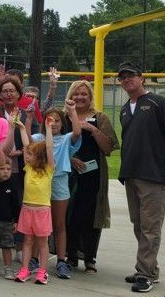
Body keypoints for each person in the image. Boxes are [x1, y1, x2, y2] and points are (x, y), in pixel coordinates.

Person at [117, 62, 165, 293]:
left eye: (131, 75)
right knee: (139, 224)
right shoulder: (124, 109)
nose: (127, 80)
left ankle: (144, 274)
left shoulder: (158, 103)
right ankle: (150, 269)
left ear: (142, 78)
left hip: (152, 175)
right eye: (122, 77)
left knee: (150, 227)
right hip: (131, 172)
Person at [63, 80, 118, 275]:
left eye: (83, 94)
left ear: (90, 96)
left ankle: (89, 258)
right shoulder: (64, 117)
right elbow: (54, 144)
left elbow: (108, 147)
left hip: (93, 175)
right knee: (69, 214)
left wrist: (93, 130)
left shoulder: (100, 117)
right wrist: (70, 159)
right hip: (67, 173)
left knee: (91, 215)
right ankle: (70, 256)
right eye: (76, 93)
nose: (79, 97)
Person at [31, 101, 82, 280]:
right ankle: (34, 259)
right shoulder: (39, 138)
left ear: (62, 123)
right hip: (40, 183)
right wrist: (29, 118)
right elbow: (27, 140)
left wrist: (72, 111)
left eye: (57, 121)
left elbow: (77, 132)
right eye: (49, 120)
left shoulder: (66, 138)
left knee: (59, 224)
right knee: (39, 224)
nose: (53, 124)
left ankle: (61, 260)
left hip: (59, 182)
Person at [13, 116, 53, 285]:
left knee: (42, 242)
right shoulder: (28, 168)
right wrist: (22, 128)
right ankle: (25, 269)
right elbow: (25, 145)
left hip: (42, 211)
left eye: (31, 155)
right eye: (27, 154)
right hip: (27, 209)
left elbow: (49, 147)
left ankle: (42, 271)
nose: (27, 157)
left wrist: (48, 129)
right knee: (27, 241)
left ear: (41, 157)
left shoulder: (49, 169)